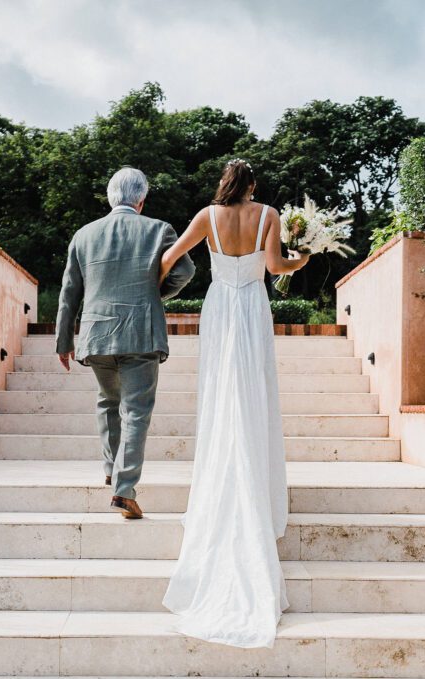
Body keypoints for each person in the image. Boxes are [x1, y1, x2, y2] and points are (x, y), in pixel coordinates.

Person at [159, 159, 310, 648]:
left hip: (220, 305)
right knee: (254, 387)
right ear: (252, 187)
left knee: (221, 389)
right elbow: (273, 268)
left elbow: (169, 259)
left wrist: (154, 295)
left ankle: (225, 470)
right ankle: (257, 487)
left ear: (224, 185)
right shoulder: (269, 215)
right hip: (253, 306)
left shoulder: (206, 216)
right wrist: (300, 261)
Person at [55, 167, 196, 518]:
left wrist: (63, 340)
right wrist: (155, 293)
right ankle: (124, 489)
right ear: (142, 199)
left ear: (110, 197)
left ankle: (110, 468)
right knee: (135, 412)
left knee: (107, 402)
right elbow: (185, 271)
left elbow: (69, 291)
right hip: (141, 332)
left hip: (96, 333)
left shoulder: (84, 235)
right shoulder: (159, 230)